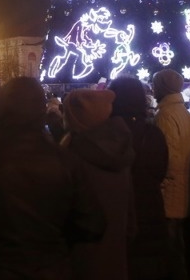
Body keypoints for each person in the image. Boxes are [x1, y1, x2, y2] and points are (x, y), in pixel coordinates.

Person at [0, 76, 107, 279]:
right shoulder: (67, 161)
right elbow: (92, 225)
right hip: (50, 270)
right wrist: (55, 240)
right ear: (41, 110)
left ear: (1, 109)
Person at [62, 87, 135, 280]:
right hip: (116, 251)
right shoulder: (120, 146)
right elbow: (130, 213)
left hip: (81, 254)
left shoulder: (71, 154)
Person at [108, 76, 174, 280]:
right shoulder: (153, 133)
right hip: (151, 208)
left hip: (117, 211)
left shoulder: (106, 134)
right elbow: (161, 170)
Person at [151, 68, 190, 280]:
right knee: (185, 246)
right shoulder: (183, 113)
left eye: (155, 84)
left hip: (171, 192)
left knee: (173, 251)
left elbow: (168, 159)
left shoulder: (165, 115)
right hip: (186, 187)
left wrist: (159, 183)